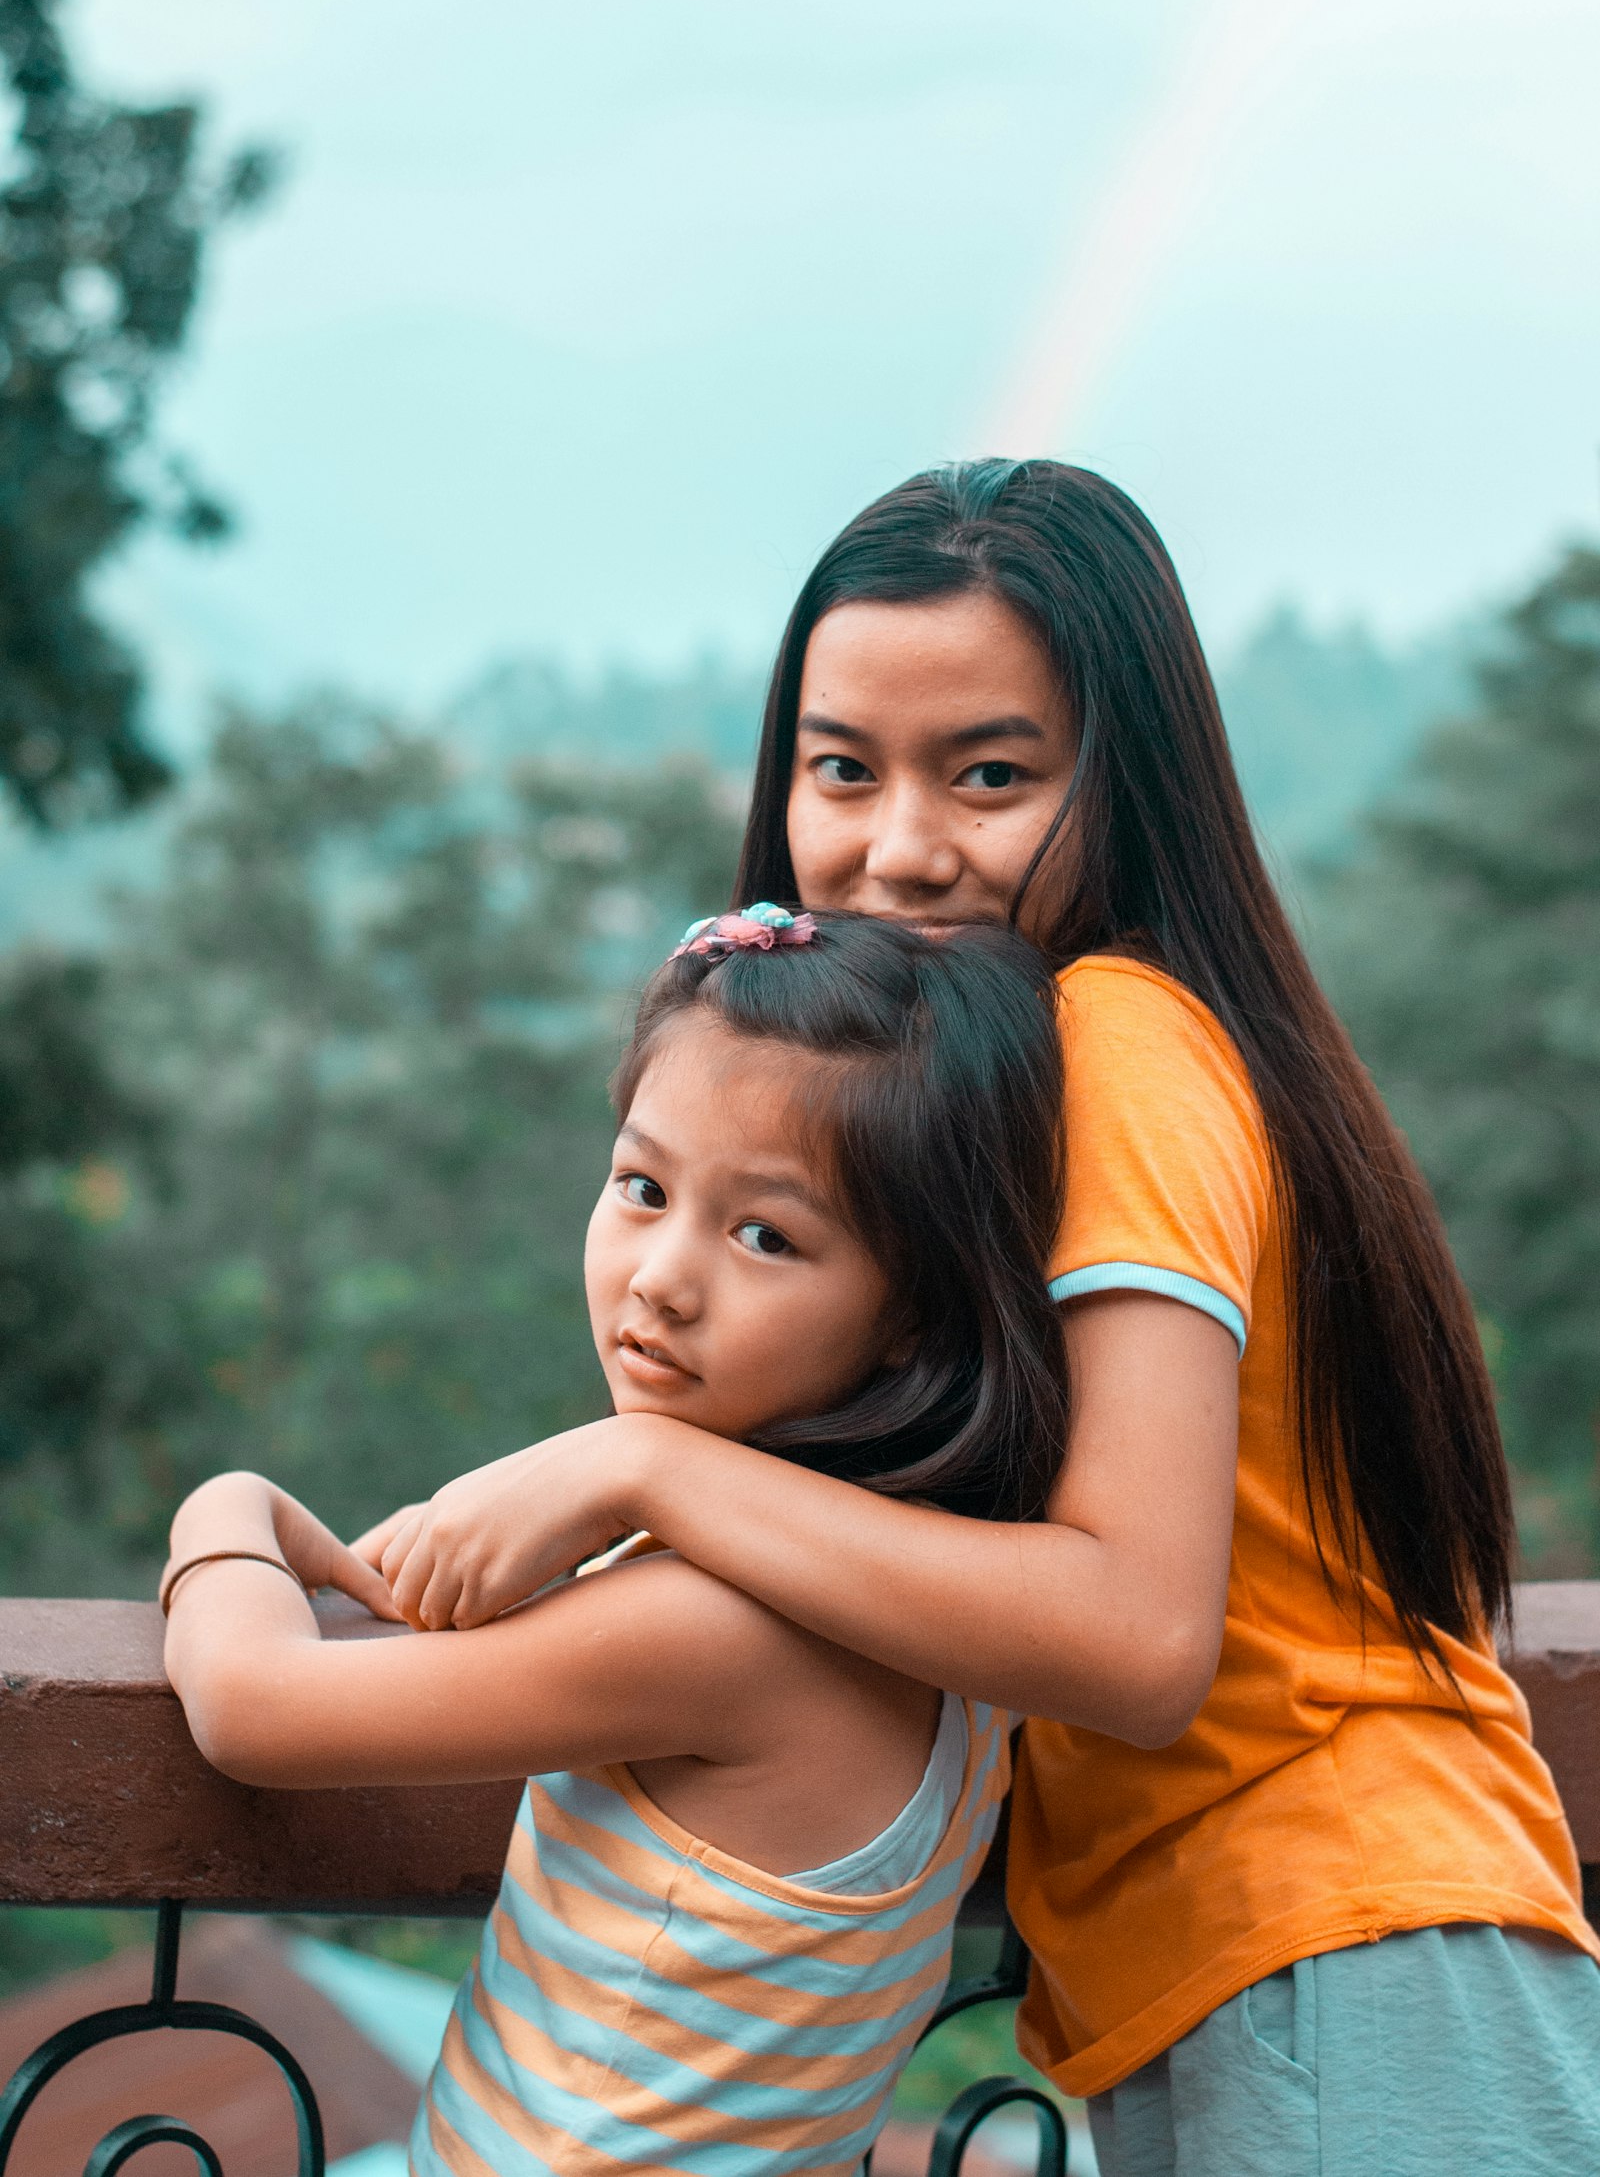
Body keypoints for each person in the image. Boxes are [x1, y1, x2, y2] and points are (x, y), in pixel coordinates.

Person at [368, 461, 1600, 2177]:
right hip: (1272, 1965)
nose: (900, 850)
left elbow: (1134, 1634)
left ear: (1131, 784)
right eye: (842, 770)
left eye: (994, 776)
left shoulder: (1119, 1043)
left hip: (1345, 1954)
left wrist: (639, 1477)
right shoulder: (1000, 1090)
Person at [162, 909, 1070, 2177]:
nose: (661, 1276)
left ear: (916, 1314)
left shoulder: (710, 1628)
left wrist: (226, 1510)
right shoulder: (959, 1620)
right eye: (642, 1188)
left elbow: (254, 1707)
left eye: (765, 1234)